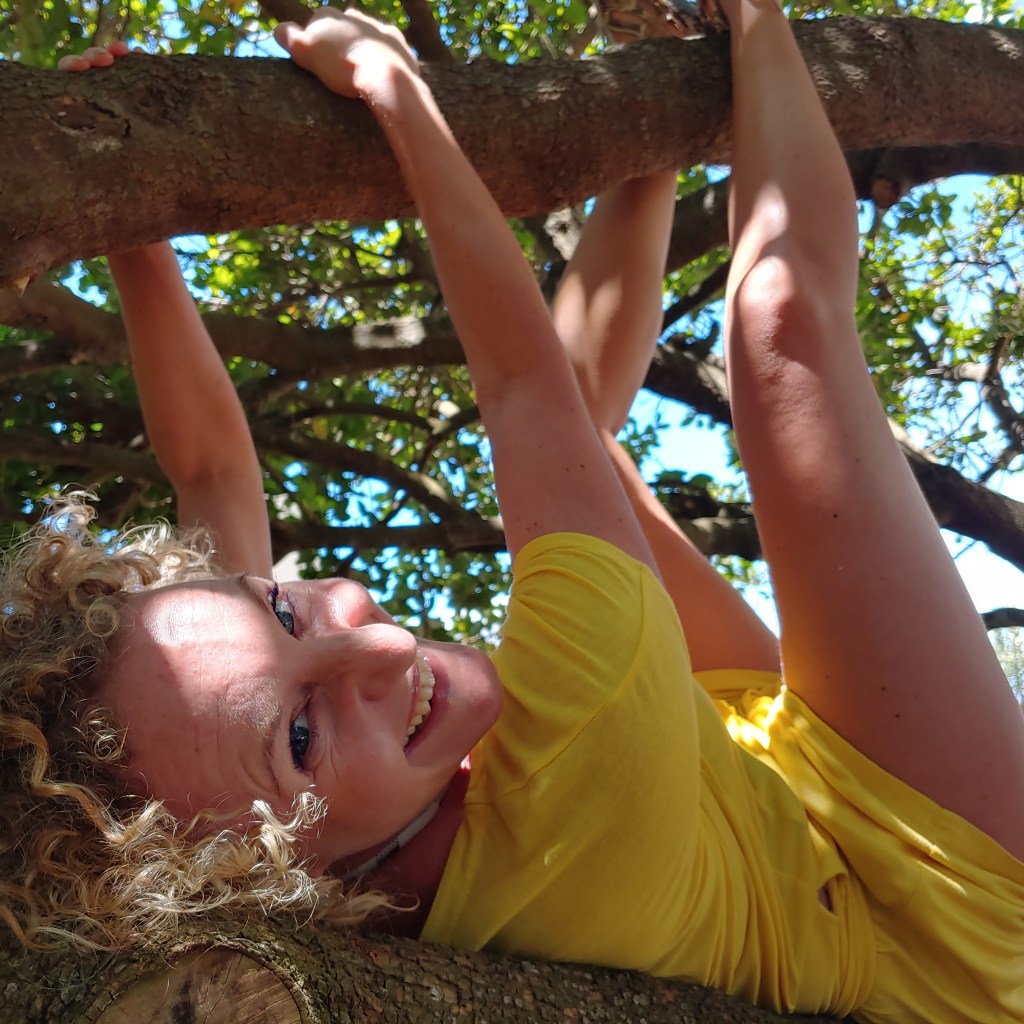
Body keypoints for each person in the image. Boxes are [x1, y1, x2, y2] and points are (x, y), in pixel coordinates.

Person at [2, 2, 1021, 1021]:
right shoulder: (581, 750)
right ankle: (753, 16)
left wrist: (134, 227)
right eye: (303, 737)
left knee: (586, 447)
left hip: (735, 796)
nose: (383, 644)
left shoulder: (223, 771)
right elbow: (523, 383)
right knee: (778, 328)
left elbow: (213, 475)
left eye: (283, 608)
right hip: (942, 900)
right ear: (264, 878)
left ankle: (658, 113)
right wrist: (391, 85)